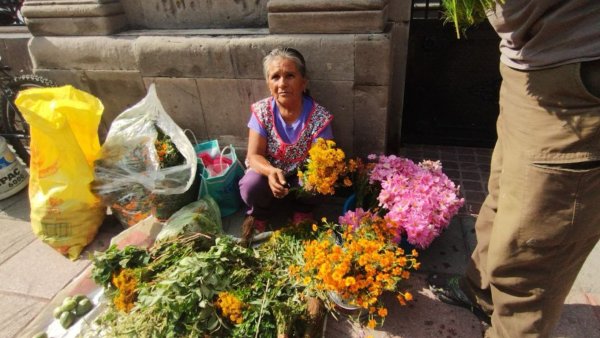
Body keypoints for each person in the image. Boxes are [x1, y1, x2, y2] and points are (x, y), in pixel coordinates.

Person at [428, 1, 600, 337]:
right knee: (501, 197)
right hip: (530, 63)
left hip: (575, 79)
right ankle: (482, 295)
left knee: (533, 247)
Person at [239, 47, 334, 245]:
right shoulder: (262, 111)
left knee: (322, 181)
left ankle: (303, 210)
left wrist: (314, 176)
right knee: (250, 185)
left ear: (303, 82)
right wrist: (271, 171)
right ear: (268, 83)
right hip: (269, 175)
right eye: (275, 77)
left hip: (301, 178)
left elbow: (323, 160)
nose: (282, 84)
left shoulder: (319, 117)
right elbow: (254, 155)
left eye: (290, 75)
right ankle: (260, 215)